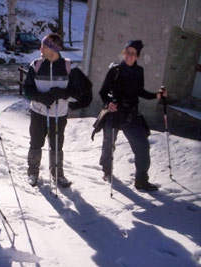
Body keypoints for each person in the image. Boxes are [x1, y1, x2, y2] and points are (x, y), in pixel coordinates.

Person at [98, 40, 167, 191]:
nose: (129, 56)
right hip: (113, 112)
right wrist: (109, 103)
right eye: (127, 52)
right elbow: (103, 92)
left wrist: (157, 96)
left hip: (130, 114)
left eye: (133, 53)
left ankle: (141, 179)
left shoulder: (139, 71)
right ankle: (107, 170)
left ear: (137, 56)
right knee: (108, 144)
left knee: (142, 146)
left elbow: (140, 92)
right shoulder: (115, 70)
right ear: (123, 53)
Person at [23, 33, 84, 188]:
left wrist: (63, 94)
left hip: (59, 114)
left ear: (53, 48)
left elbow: (78, 94)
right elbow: (27, 90)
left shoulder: (69, 67)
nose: (40, 48)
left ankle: (57, 174)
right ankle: (33, 172)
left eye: (43, 45)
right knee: (36, 143)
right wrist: (39, 97)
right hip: (38, 113)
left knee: (56, 145)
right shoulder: (35, 65)